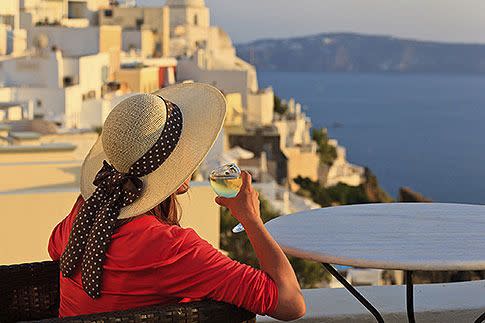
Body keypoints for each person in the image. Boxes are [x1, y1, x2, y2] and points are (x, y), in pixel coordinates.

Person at [48, 83, 305, 321]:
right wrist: (251, 219)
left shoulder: (85, 210)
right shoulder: (169, 248)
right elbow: (290, 303)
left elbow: (55, 249)